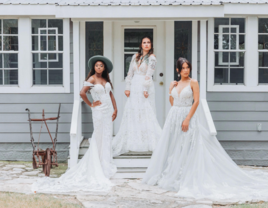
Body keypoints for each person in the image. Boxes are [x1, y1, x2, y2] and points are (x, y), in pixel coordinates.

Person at [143, 57, 268, 201]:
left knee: (188, 146)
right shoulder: (175, 83)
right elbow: (173, 102)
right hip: (173, 117)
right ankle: (175, 174)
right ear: (178, 70)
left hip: (187, 115)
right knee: (175, 146)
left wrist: (188, 118)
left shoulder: (193, 82)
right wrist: (170, 90)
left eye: (187, 67)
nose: (186, 70)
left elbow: (196, 102)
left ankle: (187, 175)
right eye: (183, 68)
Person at [32, 56, 117, 193]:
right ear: (93, 68)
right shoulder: (92, 79)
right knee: (99, 136)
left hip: (108, 112)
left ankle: (105, 163)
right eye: (97, 66)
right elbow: (82, 93)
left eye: (101, 66)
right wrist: (91, 104)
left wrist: (116, 109)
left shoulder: (106, 79)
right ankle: (96, 165)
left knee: (107, 136)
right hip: (99, 111)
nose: (99, 68)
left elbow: (111, 94)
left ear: (104, 68)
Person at [112, 36, 162, 156]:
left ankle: (148, 141)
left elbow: (149, 75)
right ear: (141, 45)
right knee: (134, 111)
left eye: (148, 42)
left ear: (151, 45)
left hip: (145, 85)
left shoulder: (152, 58)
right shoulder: (135, 57)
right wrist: (127, 87)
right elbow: (130, 72)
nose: (146, 44)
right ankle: (133, 139)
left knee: (145, 111)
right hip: (134, 85)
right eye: (144, 42)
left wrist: (145, 89)